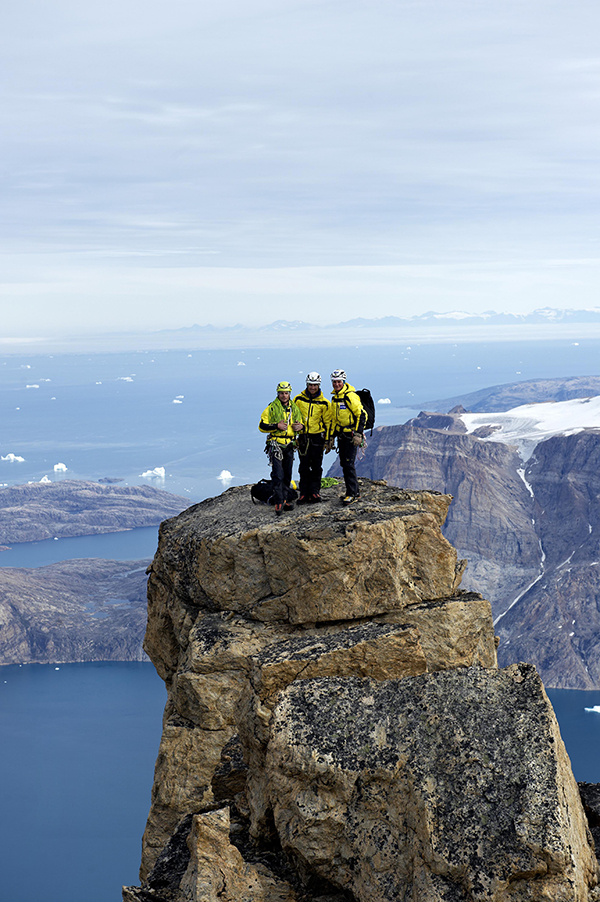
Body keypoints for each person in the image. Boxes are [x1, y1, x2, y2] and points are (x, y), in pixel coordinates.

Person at [259, 381, 304, 515]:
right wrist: (276, 426)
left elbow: (300, 424)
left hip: (289, 444)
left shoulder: (294, 408)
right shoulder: (271, 408)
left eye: (286, 393)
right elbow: (262, 426)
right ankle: (279, 501)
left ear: (289, 393)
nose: (284, 396)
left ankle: (285, 498)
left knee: (287, 474)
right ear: (278, 393)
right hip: (276, 444)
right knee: (278, 474)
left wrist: (300, 427)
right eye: (281, 393)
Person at [326, 369, 366, 505]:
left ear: (343, 381)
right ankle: (354, 492)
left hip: (351, 435)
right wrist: (331, 437)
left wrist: (358, 434)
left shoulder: (349, 396)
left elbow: (362, 415)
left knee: (348, 464)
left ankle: (352, 494)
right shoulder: (335, 398)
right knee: (345, 464)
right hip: (342, 436)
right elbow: (333, 419)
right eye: (334, 382)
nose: (336, 384)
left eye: (339, 382)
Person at [293, 372, 331, 504]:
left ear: (319, 385)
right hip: (303, 437)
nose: (313, 387)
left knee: (316, 466)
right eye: (310, 385)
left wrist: (328, 440)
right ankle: (304, 493)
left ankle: (314, 492)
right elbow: (293, 417)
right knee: (303, 466)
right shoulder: (298, 399)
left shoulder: (325, 403)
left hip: (317, 438)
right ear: (307, 384)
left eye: (315, 385)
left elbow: (328, 423)